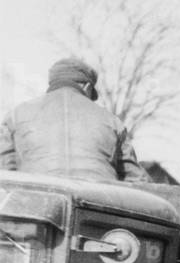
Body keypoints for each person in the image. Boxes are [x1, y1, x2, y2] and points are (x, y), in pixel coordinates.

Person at [0, 58, 148, 182]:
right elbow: (137, 181)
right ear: (88, 87)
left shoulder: (15, 116)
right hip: (98, 208)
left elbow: (4, 173)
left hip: (36, 206)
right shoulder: (112, 121)